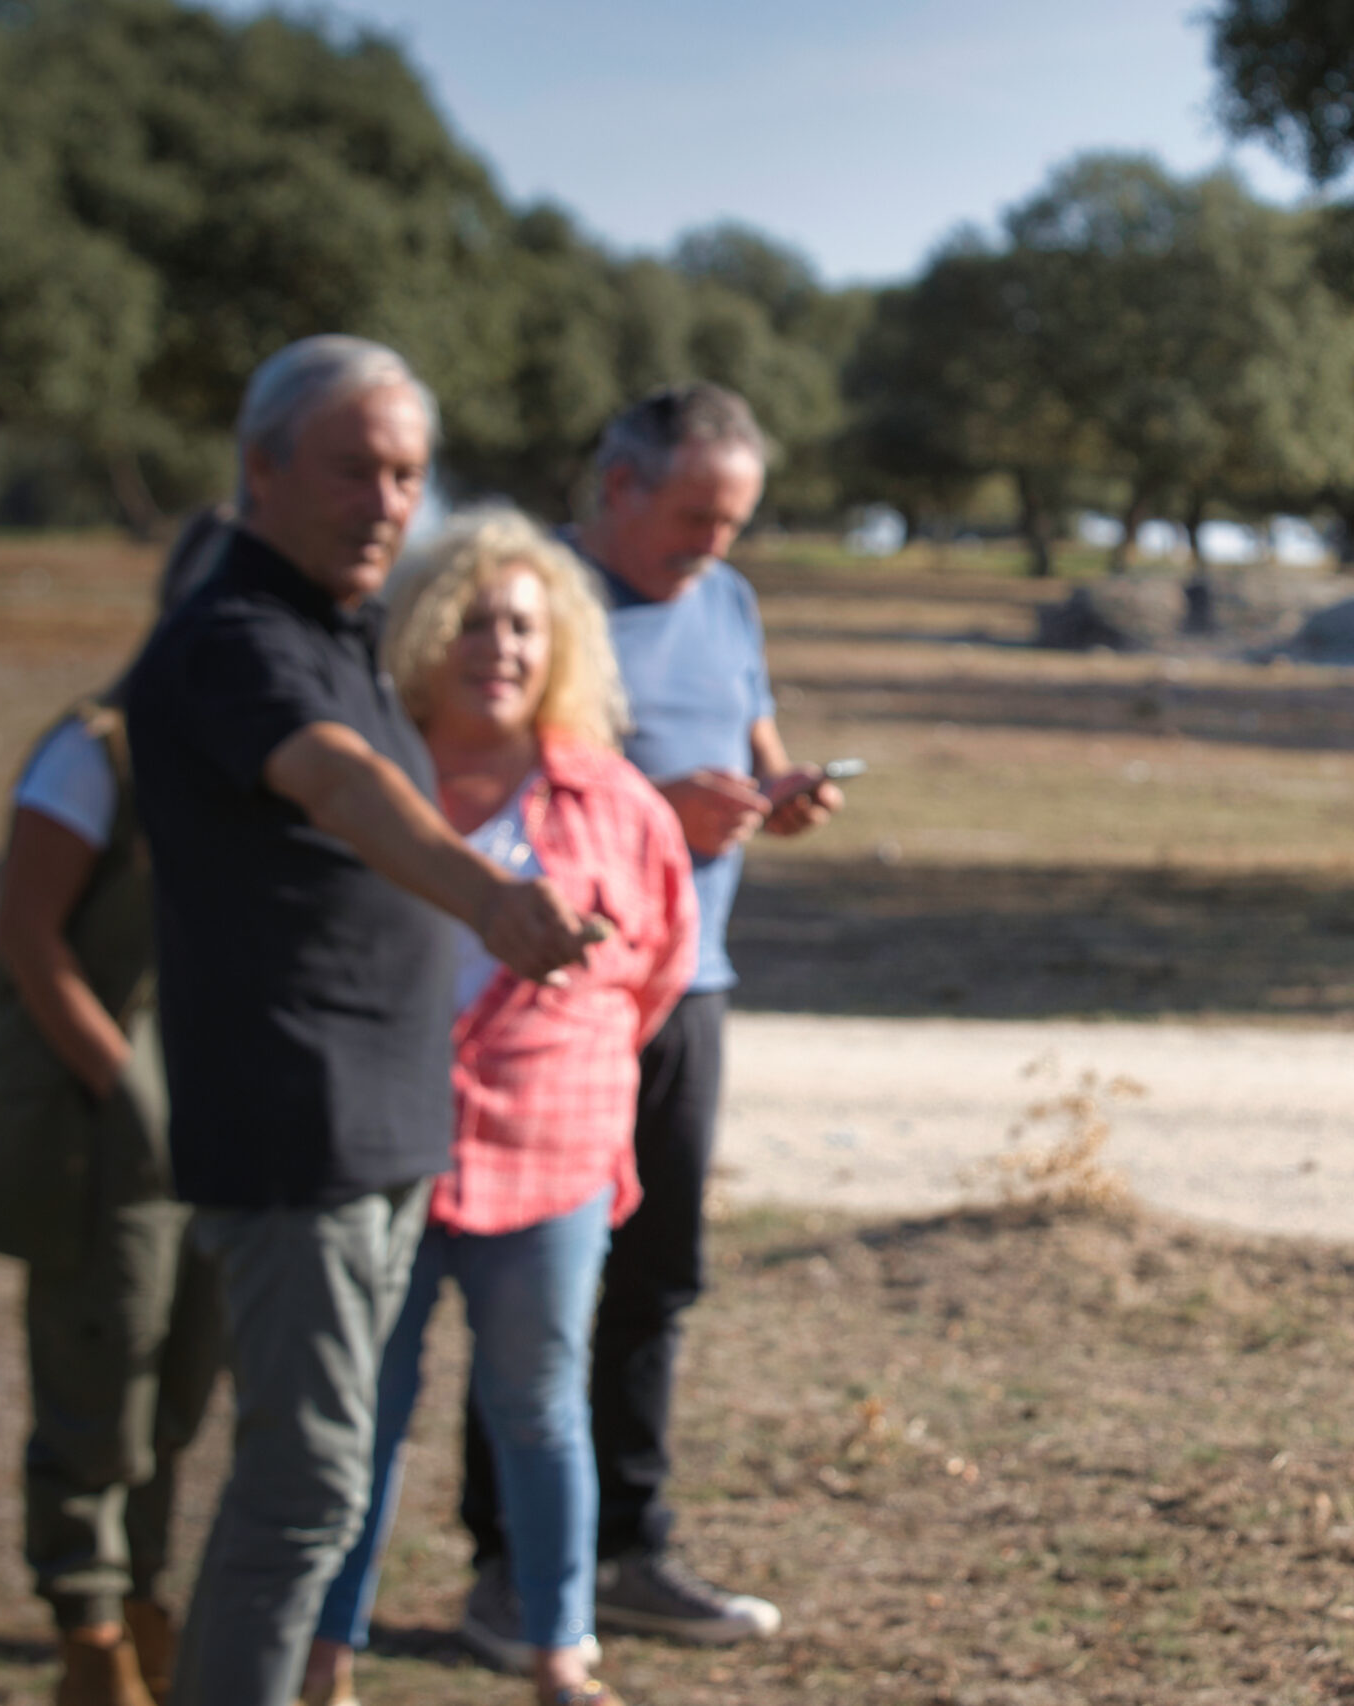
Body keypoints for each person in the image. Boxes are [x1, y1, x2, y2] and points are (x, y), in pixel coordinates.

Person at [122, 336, 602, 1706]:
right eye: (354, 468)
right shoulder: (235, 640)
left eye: (406, 473)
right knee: (307, 1481)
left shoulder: (342, 634)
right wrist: (488, 895)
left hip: (385, 1124)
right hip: (298, 1128)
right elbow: (339, 785)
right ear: (260, 466)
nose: (389, 499)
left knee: (316, 1485)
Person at [457, 383, 839, 1658]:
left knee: (657, 1269)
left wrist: (776, 792)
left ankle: (630, 1546)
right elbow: (486, 771)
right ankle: (507, 1565)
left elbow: (751, 733)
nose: (713, 546)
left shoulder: (725, 600)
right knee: (527, 1280)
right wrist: (646, 814)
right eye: (693, 516)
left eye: (733, 520)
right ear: (616, 484)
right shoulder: (530, 603)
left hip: (690, 981)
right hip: (556, 991)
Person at [302, 507, 697, 1706]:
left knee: (538, 1401)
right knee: (360, 1410)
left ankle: (558, 1644)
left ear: (560, 642)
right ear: (422, 631)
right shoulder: (376, 780)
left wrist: (562, 1066)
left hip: (551, 1148)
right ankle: (327, 1644)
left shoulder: (615, 800)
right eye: (473, 620)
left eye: (524, 624)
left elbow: (659, 969)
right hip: (388, 1140)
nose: (500, 646)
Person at [0, 508, 234, 1706]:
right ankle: (88, 1622)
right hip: (98, 1129)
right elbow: (28, 933)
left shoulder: (251, 759)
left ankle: (144, 1589)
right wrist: (123, 1082)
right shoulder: (96, 749)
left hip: (210, 1123)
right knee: (98, 1373)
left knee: (183, 1375)